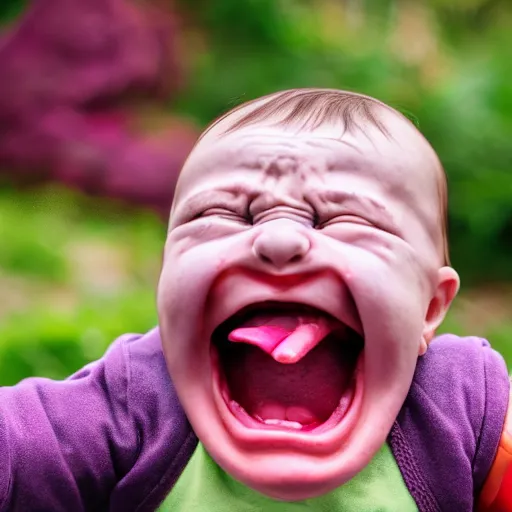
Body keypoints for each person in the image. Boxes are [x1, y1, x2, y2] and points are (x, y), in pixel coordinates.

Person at [0, 88, 510, 511]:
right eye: (221, 214)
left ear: (429, 308)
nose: (278, 241)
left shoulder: (462, 404)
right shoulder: (136, 402)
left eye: (348, 220)